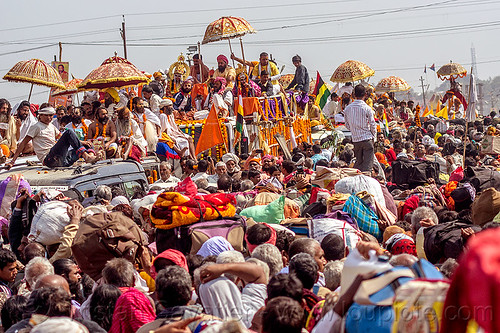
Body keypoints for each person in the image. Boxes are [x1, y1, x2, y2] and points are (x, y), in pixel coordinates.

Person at [6, 107, 100, 169]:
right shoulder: (36, 126)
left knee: (87, 144)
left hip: (62, 160)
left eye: (51, 115)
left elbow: (63, 137)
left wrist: (82, 142)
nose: (49, 118)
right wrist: (12, 161)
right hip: (49, 159)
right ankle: (87, 157)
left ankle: (90, 157)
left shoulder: (51, 126)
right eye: (46, 115)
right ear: (40, 116)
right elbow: (23, 143)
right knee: (69, 132)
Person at [343, 84, 376, 173]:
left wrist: (355, 130)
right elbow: (373, 124)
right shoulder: (367, 108)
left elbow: (347, 125)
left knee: (359, 165)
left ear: (354, 94)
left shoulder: (347, 108)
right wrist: (373, 136)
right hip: (367, 139)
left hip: (356, 140)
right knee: (367, 167)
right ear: (365, 94)